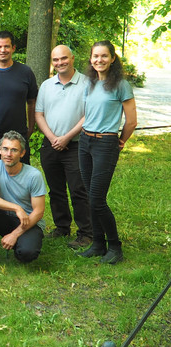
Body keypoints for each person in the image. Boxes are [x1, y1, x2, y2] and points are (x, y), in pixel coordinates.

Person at [76, 41, 137, 265]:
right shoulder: (89, 84)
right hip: (85, 142)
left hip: (105, 144)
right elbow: (87, 114)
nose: (99, 60)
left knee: (97, 199)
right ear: (91, 59)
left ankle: (115, 247)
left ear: (113, 58)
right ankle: (98, 244)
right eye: (95, 56)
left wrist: (120, 141)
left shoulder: (121, 85)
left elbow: (131, 121)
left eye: (104, 56)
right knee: (90, 194)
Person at [34, 45, 93, 249]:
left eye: (63, 58)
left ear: (73, 58)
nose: (60, 63)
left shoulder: (87, 83)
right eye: (56, 60)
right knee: (56, 190)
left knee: (78, 189)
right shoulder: (46, 85)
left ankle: (86, 232)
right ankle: (62, 226)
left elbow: (89, 115)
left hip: (76, 145)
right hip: (50, 145)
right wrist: (52, 138)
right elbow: (38, 114)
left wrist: (67, 137)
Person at [0, 131, 46, 267]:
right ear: (0, 150)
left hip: (29, 222)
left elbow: (38, 212)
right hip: (7, 217)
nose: (9, 154)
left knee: (26, 254)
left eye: (14, 150)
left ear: (22, 153)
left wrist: (14, 234)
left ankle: (19, 242)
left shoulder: (33, 175)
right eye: (5, 149)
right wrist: (16, 207)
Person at [0, 31, 38, 167]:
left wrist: (30, 128)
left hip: (18, 137)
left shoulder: (25, 72)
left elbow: (32, 102)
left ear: (13, 48)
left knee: (20, 178)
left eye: (7, 46)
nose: (3, 50)